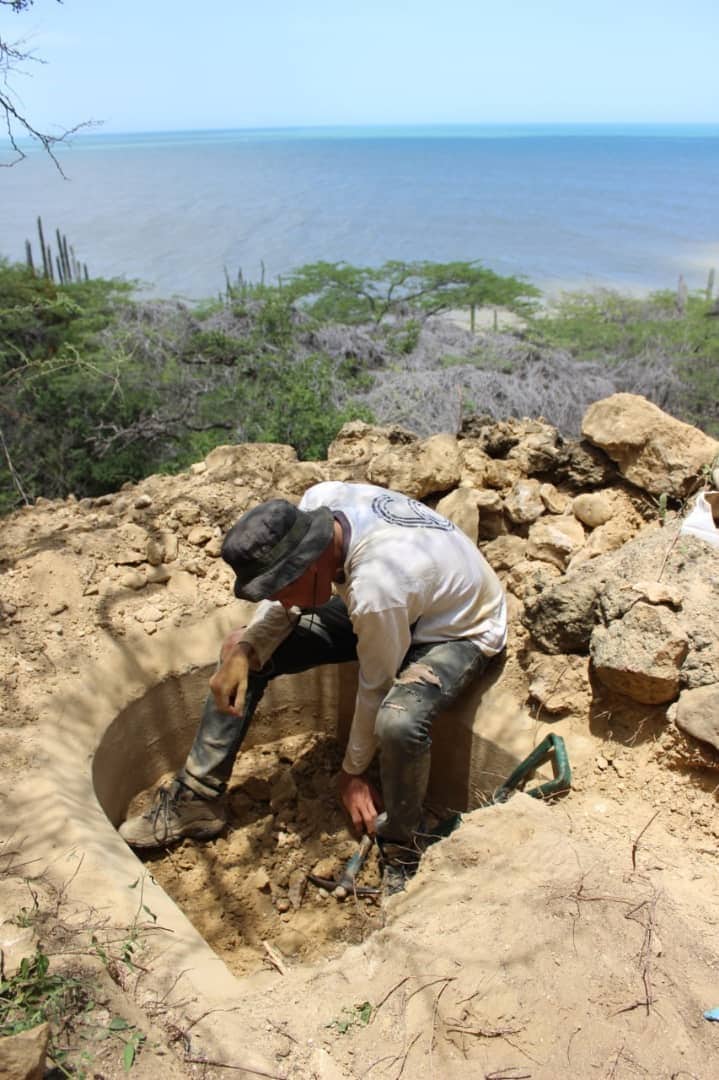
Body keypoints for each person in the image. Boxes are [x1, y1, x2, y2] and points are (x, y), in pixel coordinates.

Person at [119, 480, 507, 889]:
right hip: (411, 603)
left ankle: (402, 846)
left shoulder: (377, 587)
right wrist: (246, 647)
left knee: (400, 721)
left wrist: (352, 773)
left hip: (460, 627)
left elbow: (376, 685)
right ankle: (197, 797)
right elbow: (283, 608)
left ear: (313, 563)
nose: (285, 602)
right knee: (244, 651)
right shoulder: (319, 504)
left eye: (287, 589)